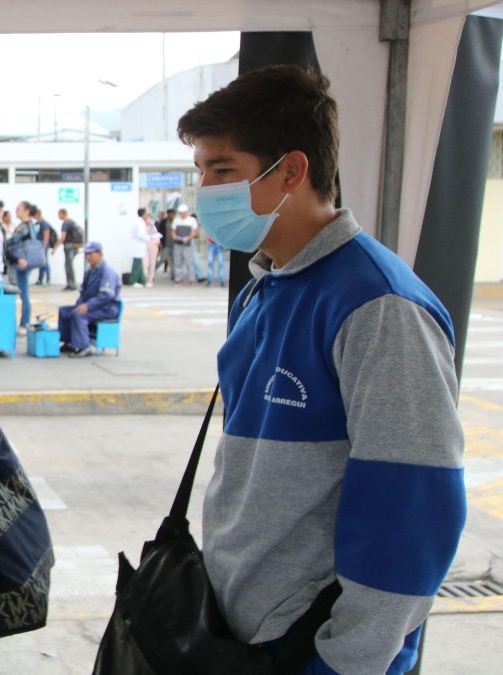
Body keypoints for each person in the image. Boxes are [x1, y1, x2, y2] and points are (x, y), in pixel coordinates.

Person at [178, 64, 464, 674]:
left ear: (292, 170)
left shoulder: (378, 306)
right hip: (239, 632)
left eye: (222, 169)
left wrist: (345, 662)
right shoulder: (263, 289)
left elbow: (412, 509)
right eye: (199, 171)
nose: (203, 189)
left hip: (312, 646)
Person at [56, 241, 121, 357]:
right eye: (86, 254)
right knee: (64, 311)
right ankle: (69, 342)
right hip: (93, 306)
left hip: (106, 308)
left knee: (78, 314)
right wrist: (80, 303)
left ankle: (83, 347)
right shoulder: (89, 271)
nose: (88, 257)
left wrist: (87, 305)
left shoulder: (107, 272)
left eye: (91, 254)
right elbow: (83, 292)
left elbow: (106, 296)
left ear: (100, 254)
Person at [5, 200, 43, 334]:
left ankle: (24, 323)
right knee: (24, 293)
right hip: (26, 262)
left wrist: (4, 240)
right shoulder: (31, 224)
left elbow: (12, 241)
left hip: (22, 263)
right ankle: (24, 322)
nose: (16, 210)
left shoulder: (24, 226)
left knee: (24, 293)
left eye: (19, 208)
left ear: (26, 210)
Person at [54, 208, 84, 291]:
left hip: (69, 247)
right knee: (68, 265)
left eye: (59, 214)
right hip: (76, 246)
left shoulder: (65, 223)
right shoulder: (73, 222)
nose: (58, 216)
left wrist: (54, 248)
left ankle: (71, 284)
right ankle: (71, 283)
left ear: (62, 214)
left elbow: (62, 238)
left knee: (68, 265)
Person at [170, 203, 198, 284]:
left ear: (186, 212)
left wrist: (188, 237)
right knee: (177, 261)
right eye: (180, 213)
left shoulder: (192, 220)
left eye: (183, 213)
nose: (182, 214)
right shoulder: (176, 220)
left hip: (188, 244)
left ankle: (192, 279)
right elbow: (173, 231)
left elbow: (195, 232)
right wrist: (175, 236)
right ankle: (178, 279)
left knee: (190, 262)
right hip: (178, 243)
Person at [128, 208, 152, 287]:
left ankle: (143, 281)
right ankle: (133, 281)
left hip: (138, 246)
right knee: (137, 264)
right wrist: (149, 238)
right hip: (137, 246)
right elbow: (141, 234)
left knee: (139, 264)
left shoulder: (139, 221)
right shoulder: (140, 222)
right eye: (146, 213)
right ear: (143, 214)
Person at [33, 207, 56, 286]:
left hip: (43, 245)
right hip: (38, 245)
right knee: (41, 263)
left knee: (45, 262)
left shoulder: (44, 223)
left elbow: (46, 235)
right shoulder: (36, 224)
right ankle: (40, 279)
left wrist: (44, 246)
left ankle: (48, 279)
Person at [144, 210, 162, 286]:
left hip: (153, 247)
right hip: (145, 247)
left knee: (152, 263)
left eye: (149, 218)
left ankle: (150, 279)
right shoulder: (141, 226)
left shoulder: (153, 226)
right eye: (146, 218)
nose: (148, 220)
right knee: (145, 264)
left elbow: (157, 236)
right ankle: (144, 279)